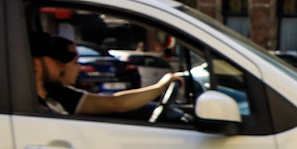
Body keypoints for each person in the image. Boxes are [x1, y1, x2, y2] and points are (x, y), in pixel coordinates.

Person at [30, 31, 183, 116]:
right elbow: (117, 104)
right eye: (58, 61)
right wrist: (160, 86)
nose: (63, 67)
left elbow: (116, 102)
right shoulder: (30, 105)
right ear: (36, 64)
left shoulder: (58, 95)